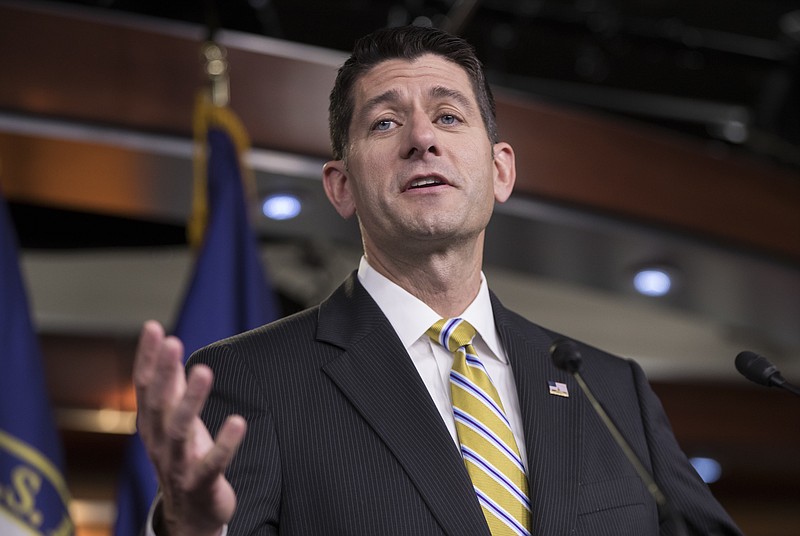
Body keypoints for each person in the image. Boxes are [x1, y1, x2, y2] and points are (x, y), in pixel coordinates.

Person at [134, 25, 744, 536]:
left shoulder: (612, 391)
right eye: (384, 124)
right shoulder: (252, 382)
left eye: (448, 116)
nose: (422, 139)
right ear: (340, 187)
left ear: (500, 170)